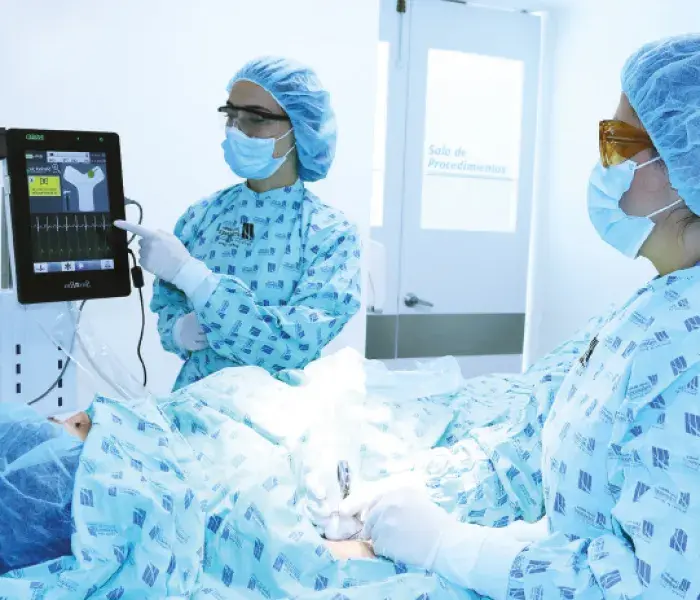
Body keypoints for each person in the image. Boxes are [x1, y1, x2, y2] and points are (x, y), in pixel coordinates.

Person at [332, 34, 700, 599]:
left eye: (620, 141)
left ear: (685, 168)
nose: (604, 160)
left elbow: (658, 587)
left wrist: (452, 546)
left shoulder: (688, 352)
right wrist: (436, 498)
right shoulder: (657, 305)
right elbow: (571, 466)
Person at [117, 57, 361, 390]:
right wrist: (177, 331)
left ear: (301, 129)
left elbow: (292, 344)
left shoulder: (331, 234)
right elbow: (168, 304)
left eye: (255, 119)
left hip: (280, 409)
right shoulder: (202, 216)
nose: (236, 130)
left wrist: (194, 278)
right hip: (195, 401)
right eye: (231, 116)